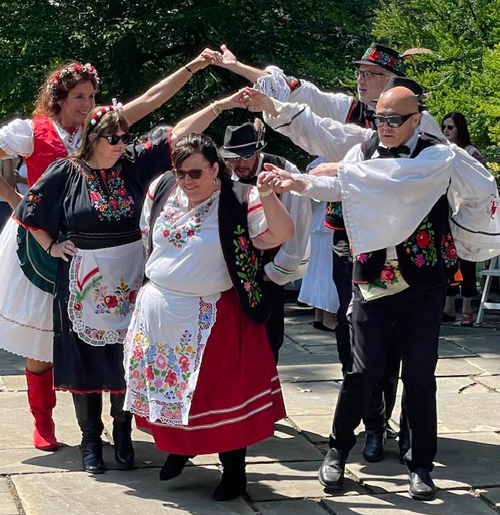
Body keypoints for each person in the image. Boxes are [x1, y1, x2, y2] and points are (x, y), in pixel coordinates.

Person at [258, 84, 500, 501]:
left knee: (420, 374)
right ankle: (337, 449)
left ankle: (420, 464)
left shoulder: (437, 155)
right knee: (361, 370)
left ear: (414, 120)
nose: (383, 127)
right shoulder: (363, 153)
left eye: (393, 120)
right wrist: (297, 183)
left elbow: (392, 180)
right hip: (373, 275)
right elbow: (343, 187)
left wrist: (326, 174)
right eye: (379, 119)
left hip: (423, 279)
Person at [0, 52, 214, 452]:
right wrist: (15, 198)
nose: (87, 104)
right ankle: (42, 420)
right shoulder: (32, 132)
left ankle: (116, 425)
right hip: (41, 240)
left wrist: (194, 67)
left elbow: (152, 100)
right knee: (41, 340)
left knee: (109, 337)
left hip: (99, 242)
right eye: (79, 96)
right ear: (59, 98)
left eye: (92, 96)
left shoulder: (105, 131)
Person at [123, 134, 292, 501]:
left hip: (213, 313)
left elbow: (282, 233)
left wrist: (266, 195)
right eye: (180, 172)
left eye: (196, 172)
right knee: (173, 390)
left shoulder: (239, 199)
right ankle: (181, 450)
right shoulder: (162, 188)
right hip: (162, 311)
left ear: (216, 169)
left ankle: (234, 472)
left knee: (218, 395)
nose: (187, 180)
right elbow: (147, 237)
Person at [172, 95, 312, 362]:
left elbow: (299, 225)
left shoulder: (282, 169)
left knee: (270, 340)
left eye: (246, 155)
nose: (240, 163)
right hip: (232, 276)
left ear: (258, 150)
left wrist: (277, 271)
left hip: (270, 272)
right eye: (233, 157)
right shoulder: (222, 178)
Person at [441, 112, 485, 325]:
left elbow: (482, 183)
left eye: (451, 127)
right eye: (444, 127)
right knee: (449, 259)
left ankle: (467, 309)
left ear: (460, 129)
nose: (447, 131)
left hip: (468, 215)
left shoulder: (470, 152)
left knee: (466, 261)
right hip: (448, 213)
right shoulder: (443, 152)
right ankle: (449, 307)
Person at [298, 158, 339, 331]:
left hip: (320, 224)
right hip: (325, 224)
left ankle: (320, 316)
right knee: (325, 272)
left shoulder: (316, 164)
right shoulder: (320, 164)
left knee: (318, 271)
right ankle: (327, 317)